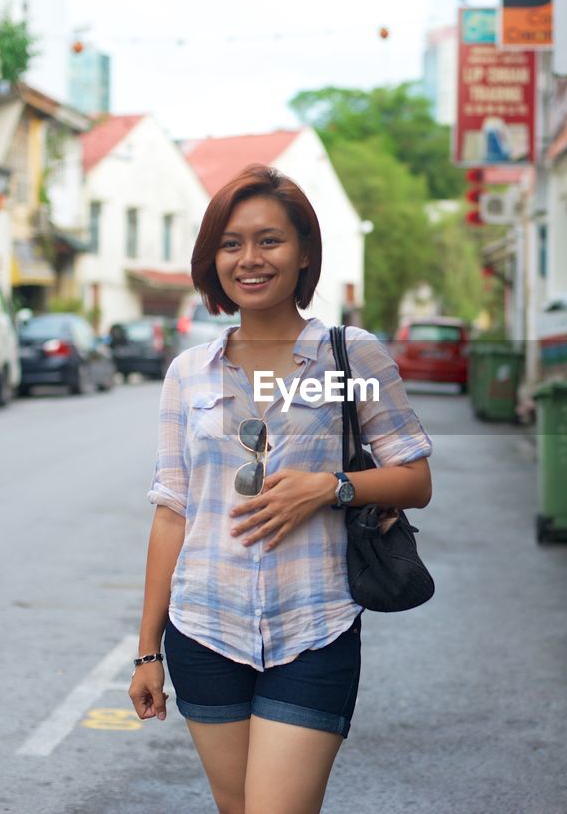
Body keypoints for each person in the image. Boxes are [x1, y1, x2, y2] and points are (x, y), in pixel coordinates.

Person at [128, 164, 433, 813]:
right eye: (231, 243)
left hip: (313, 627)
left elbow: (415, 479)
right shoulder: (189, 374)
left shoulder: (350, 355)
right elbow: (172, 512)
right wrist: (146, 652)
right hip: (204, 628)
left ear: (303, 254)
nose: (250, 258)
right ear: (213, 260)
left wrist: (330, 487)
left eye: (269, 240)